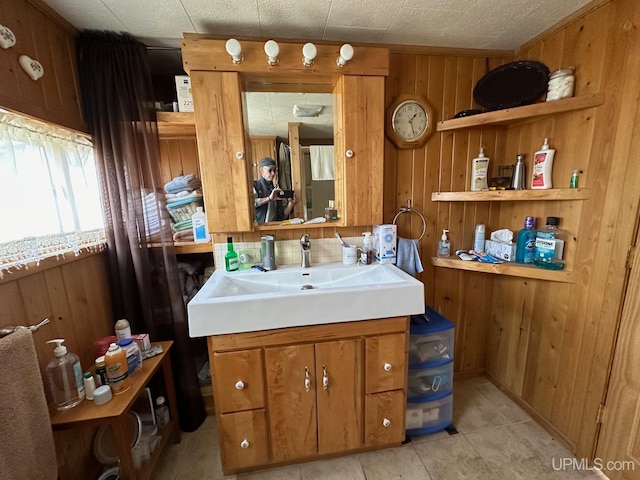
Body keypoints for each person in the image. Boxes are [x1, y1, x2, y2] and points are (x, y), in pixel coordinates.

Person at [253, 157, 297, 222]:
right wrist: (269, 198)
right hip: (260, 227)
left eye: (274, 170)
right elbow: (250, 204)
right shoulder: (255, 185)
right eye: (270, 170)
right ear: (262, 170)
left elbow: (282, 217)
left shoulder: (275, 190)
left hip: (274, 227)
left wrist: (291, 204)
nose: (273, 173)